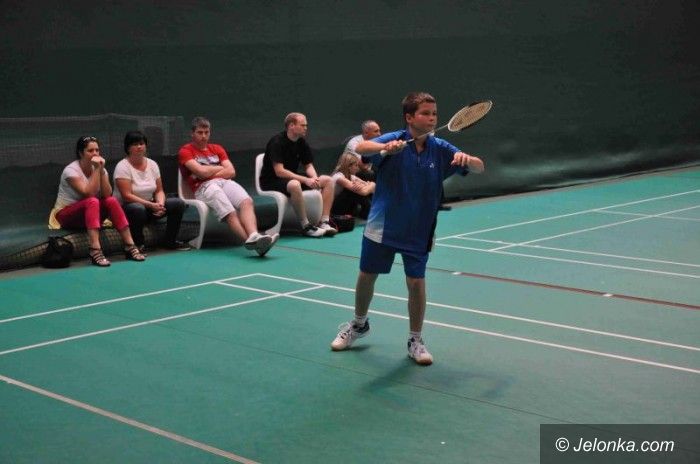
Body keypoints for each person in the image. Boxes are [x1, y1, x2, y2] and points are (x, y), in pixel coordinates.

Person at [330, 92, 485, 365]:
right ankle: (358, 324)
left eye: (434, 113)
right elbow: (361, 147)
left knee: (416, 282)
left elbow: (479, 167)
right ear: (409, 117)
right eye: (425, 113)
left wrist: (467, 159)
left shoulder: (441, 148)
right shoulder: (395, 138)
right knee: (367, 275)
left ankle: (415, 339)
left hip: (419, 229)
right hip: (383, 225)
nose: (432, 118)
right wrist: (385, 148)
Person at [178, 117, 277, 256]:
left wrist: (208, 170)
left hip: (224, 182)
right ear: (192, 133)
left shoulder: (217, 148)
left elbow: (231, 172)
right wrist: (218, 168)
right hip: (203, 188)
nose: (204, 136)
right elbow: (201, 173)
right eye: (200, 132)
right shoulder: (185, 151)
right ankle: (253, 244)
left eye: (206, 132)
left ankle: (254, 235)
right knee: (230, 213)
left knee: (247, 201)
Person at [48, 136, 146, 267]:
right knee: (93, 201)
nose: (95, 154)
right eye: (90, 151)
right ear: (81, 153)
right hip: (66, 216)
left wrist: (101, 171)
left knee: (111, 200)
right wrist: (97, 170)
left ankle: (129, 245)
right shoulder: (70, 171)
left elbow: (107, 194)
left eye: (97, 150)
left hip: (90, 216)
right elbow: (88, 193)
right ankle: (95, 250)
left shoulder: (100, 168)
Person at [259, 112, 337, 237]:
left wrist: (314, 179)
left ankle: (324, 222)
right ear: (291, 126)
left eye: (306, 125)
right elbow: (279, 171)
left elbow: (308, 165)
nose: (306, 128)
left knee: (328, 180)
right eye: (303, 125)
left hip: (291, 178)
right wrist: (305, 180)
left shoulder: (301, 142)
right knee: (295, 184)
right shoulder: (276, 142)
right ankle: (306, 226)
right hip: (271, 180)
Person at [113, 130, 190, 254]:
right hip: (128, 209)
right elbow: (127, 196)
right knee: (137, 208)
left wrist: (160, 204)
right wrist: (150, 205)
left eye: (141, 143)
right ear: (128, 148)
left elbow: (159, 190)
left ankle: (170, 241)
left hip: (150, 207)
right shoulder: (122, 167)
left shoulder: (152, 164)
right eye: (135, 144)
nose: (139, 147)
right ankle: (138, 245)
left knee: (177, 203)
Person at [330, 152, 375, 219]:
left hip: (342, 205)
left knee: (357, 189)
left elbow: (373, 189)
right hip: (332, 207)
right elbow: (364, 192)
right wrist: (371, 185)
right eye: (356, 165)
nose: (358, 168)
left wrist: (367, 185)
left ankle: (367, 212)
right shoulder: (339, 177)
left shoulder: (351, 176)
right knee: (351, 191)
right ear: (349, 167)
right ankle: (366, 214)